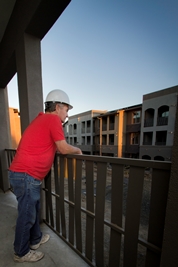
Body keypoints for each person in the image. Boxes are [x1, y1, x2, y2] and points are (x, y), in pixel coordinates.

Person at [8, 89, 82, 262]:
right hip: (26, 175)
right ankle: (21, 252)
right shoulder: (53, 120)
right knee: (27, 215)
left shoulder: (41, 119)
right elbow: (63, 148)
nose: (66, 115)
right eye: (66, 110)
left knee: (32, 210)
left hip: (25, 175)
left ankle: (35, 240)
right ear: (58, 107)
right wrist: (77, 150)